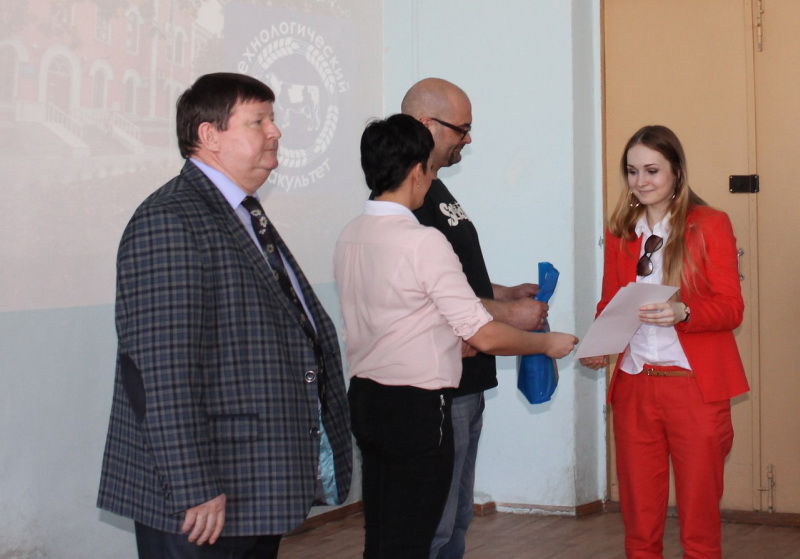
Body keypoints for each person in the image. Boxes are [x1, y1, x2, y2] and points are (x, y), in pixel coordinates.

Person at [97, 72, 352, 559]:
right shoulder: (171, 219)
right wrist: (193, 485)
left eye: (273, 119)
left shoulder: (241, 214)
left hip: (252, 484)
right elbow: (160, 371)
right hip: (202, 498)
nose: (275, 131)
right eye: (258, 121)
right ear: (209, 135)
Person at [334, 114, 578, 559]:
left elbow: (402, 312)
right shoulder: (422, 241)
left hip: (367, 399)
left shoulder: (351, 233)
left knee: (383, 534)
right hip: (417, 407)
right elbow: (484, 334)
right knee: (420, 535)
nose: (431, 179)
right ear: (416, 172)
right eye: (428, 170)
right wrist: (547, 343)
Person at [579, 125, 750, 558]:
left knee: (699, 524)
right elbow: (609, 302)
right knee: (639, 521)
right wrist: (600, 343)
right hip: (635, 386)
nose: (641, 181)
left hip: (694, 389)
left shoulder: (710, 224)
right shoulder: (621, 231)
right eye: (632, 171)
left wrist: (684, 312)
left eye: (652, 170)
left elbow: (732, 308)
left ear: (676, 171)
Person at [400, 77, 549, 559]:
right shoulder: (407, 199)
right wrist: (512, 315)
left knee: (457, 516)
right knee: (436, 522)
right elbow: (431, 298)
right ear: (426, 124)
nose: (468, 138)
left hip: (469, 379)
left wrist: (503, 292)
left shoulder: (436, 188)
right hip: (442, 383)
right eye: (461, 129)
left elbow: (457, 279)